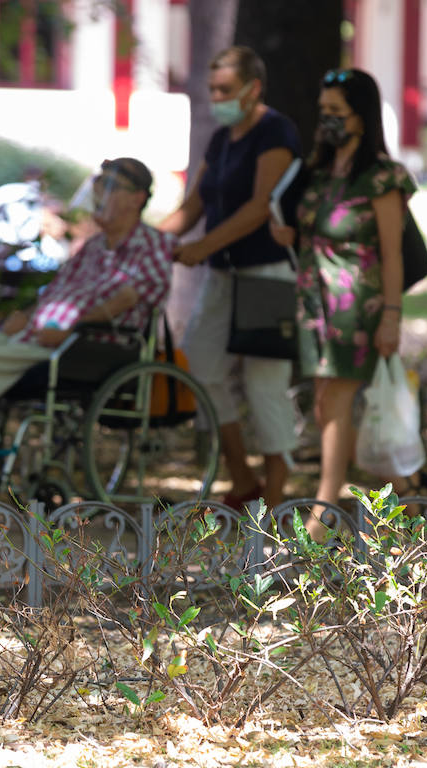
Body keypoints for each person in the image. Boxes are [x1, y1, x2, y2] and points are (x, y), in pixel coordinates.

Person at [0, 157, 172, 480]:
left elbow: (130, 298)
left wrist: (70, 327)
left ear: (137, 198)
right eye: (99, 185)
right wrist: (25, 316)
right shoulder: (93, 247)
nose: (100, 195)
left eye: (110, 187)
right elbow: (55, 293)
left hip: (81, 347)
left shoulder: (153, 244)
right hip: (36, 339)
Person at [270, 68, 417, 538]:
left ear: (362, 116)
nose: (328, 120)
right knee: (324, 406)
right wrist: (290, 234)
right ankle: (407, 499)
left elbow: (394, 254)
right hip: (314, 303)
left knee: (335, 402)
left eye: (338, 112)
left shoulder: (383, 177)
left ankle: (323, 511)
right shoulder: (316, 171)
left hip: (360, 307)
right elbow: (313, 230)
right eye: (324, 111)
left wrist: (392, 317)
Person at [159, 46, 300, 511]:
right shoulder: (220, 140)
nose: (216, 98)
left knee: (265, 385)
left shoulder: (275, 132)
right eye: (212, 89)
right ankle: (242, 476)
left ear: (252, 88)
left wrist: (203, 246)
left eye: (224, 90)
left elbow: (260, 207)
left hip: (266, 277)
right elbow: (190, 209)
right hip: (222, 277)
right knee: (201, 364)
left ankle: (275, 498)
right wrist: (140, 238)